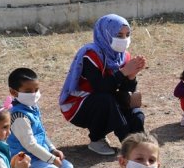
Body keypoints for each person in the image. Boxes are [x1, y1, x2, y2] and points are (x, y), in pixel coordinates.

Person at [60, 14, 147, 155]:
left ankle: (140, 145)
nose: (124, 40)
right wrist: (124, 72)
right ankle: (98, 140)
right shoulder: (91, 54)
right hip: (80, 106)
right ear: (106, 33)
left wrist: (131, 77)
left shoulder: (123, 56)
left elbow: (125, 91)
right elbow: (101, 87)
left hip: (107, 101)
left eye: (127, 35)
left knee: (135, 112)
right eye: (119, 35)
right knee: (105, 100)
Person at [6, 68, 74, 168]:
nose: (34, 94)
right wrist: (51, 159)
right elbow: (30, 145)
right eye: (28, 91)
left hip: (38, 154)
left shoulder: (32, 107)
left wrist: (52, 149)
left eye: (36, 90)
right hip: (26, 158)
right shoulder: (19, 116)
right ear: (14, 92)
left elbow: (40, 132)